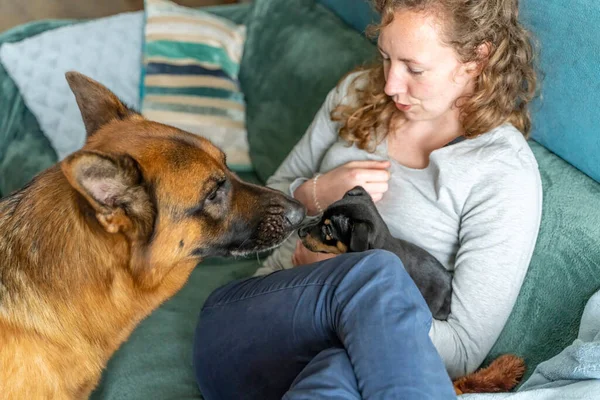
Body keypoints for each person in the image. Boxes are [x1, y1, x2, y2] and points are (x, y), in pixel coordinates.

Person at [193, 0, 543, 398]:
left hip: (352, 368)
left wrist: (343, 285)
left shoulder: (500, 171)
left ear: (477, 58)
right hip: (245, 332)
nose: (391, 84)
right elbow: (270, 201)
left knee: (341, 371)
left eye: (414, 68)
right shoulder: (357, 93)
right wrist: (316, 193)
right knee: (376, 274)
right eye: (385, 58)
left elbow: (461, 351)